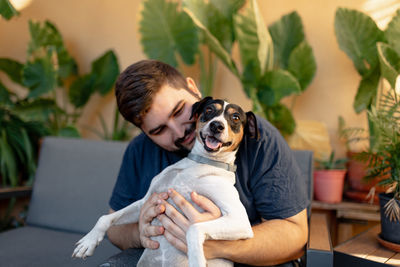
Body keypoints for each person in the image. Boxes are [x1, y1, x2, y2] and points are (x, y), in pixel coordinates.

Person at [105, 59, 308, 267]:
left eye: (179, 111)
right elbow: (114, 229)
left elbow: (295, 233)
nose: (179, 131)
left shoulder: (257, 139)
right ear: (145, 133)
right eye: (159, 130)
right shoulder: (140, 150)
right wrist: (141, 231)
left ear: (193, 89)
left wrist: (212, 244)